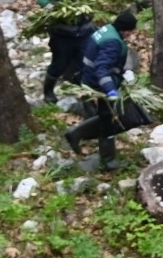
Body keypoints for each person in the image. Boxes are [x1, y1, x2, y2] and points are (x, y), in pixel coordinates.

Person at [64, 10, 149, 171]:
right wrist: (110, 90)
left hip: (89, 77)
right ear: (126, 30)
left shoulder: (107, 29)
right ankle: (108, 160)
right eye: (131, 32)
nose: (131, 35)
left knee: (105, 117)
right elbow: (102, 69)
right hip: (99, 84)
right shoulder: (113, 42)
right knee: (108, 120)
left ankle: (76, 134)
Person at [37, 0, 96, 103]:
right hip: (63, 32)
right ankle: (48, 92)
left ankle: (82, 92)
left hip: (84, 31)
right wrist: (55, 10)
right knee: (60, 63)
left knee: (85, 62)